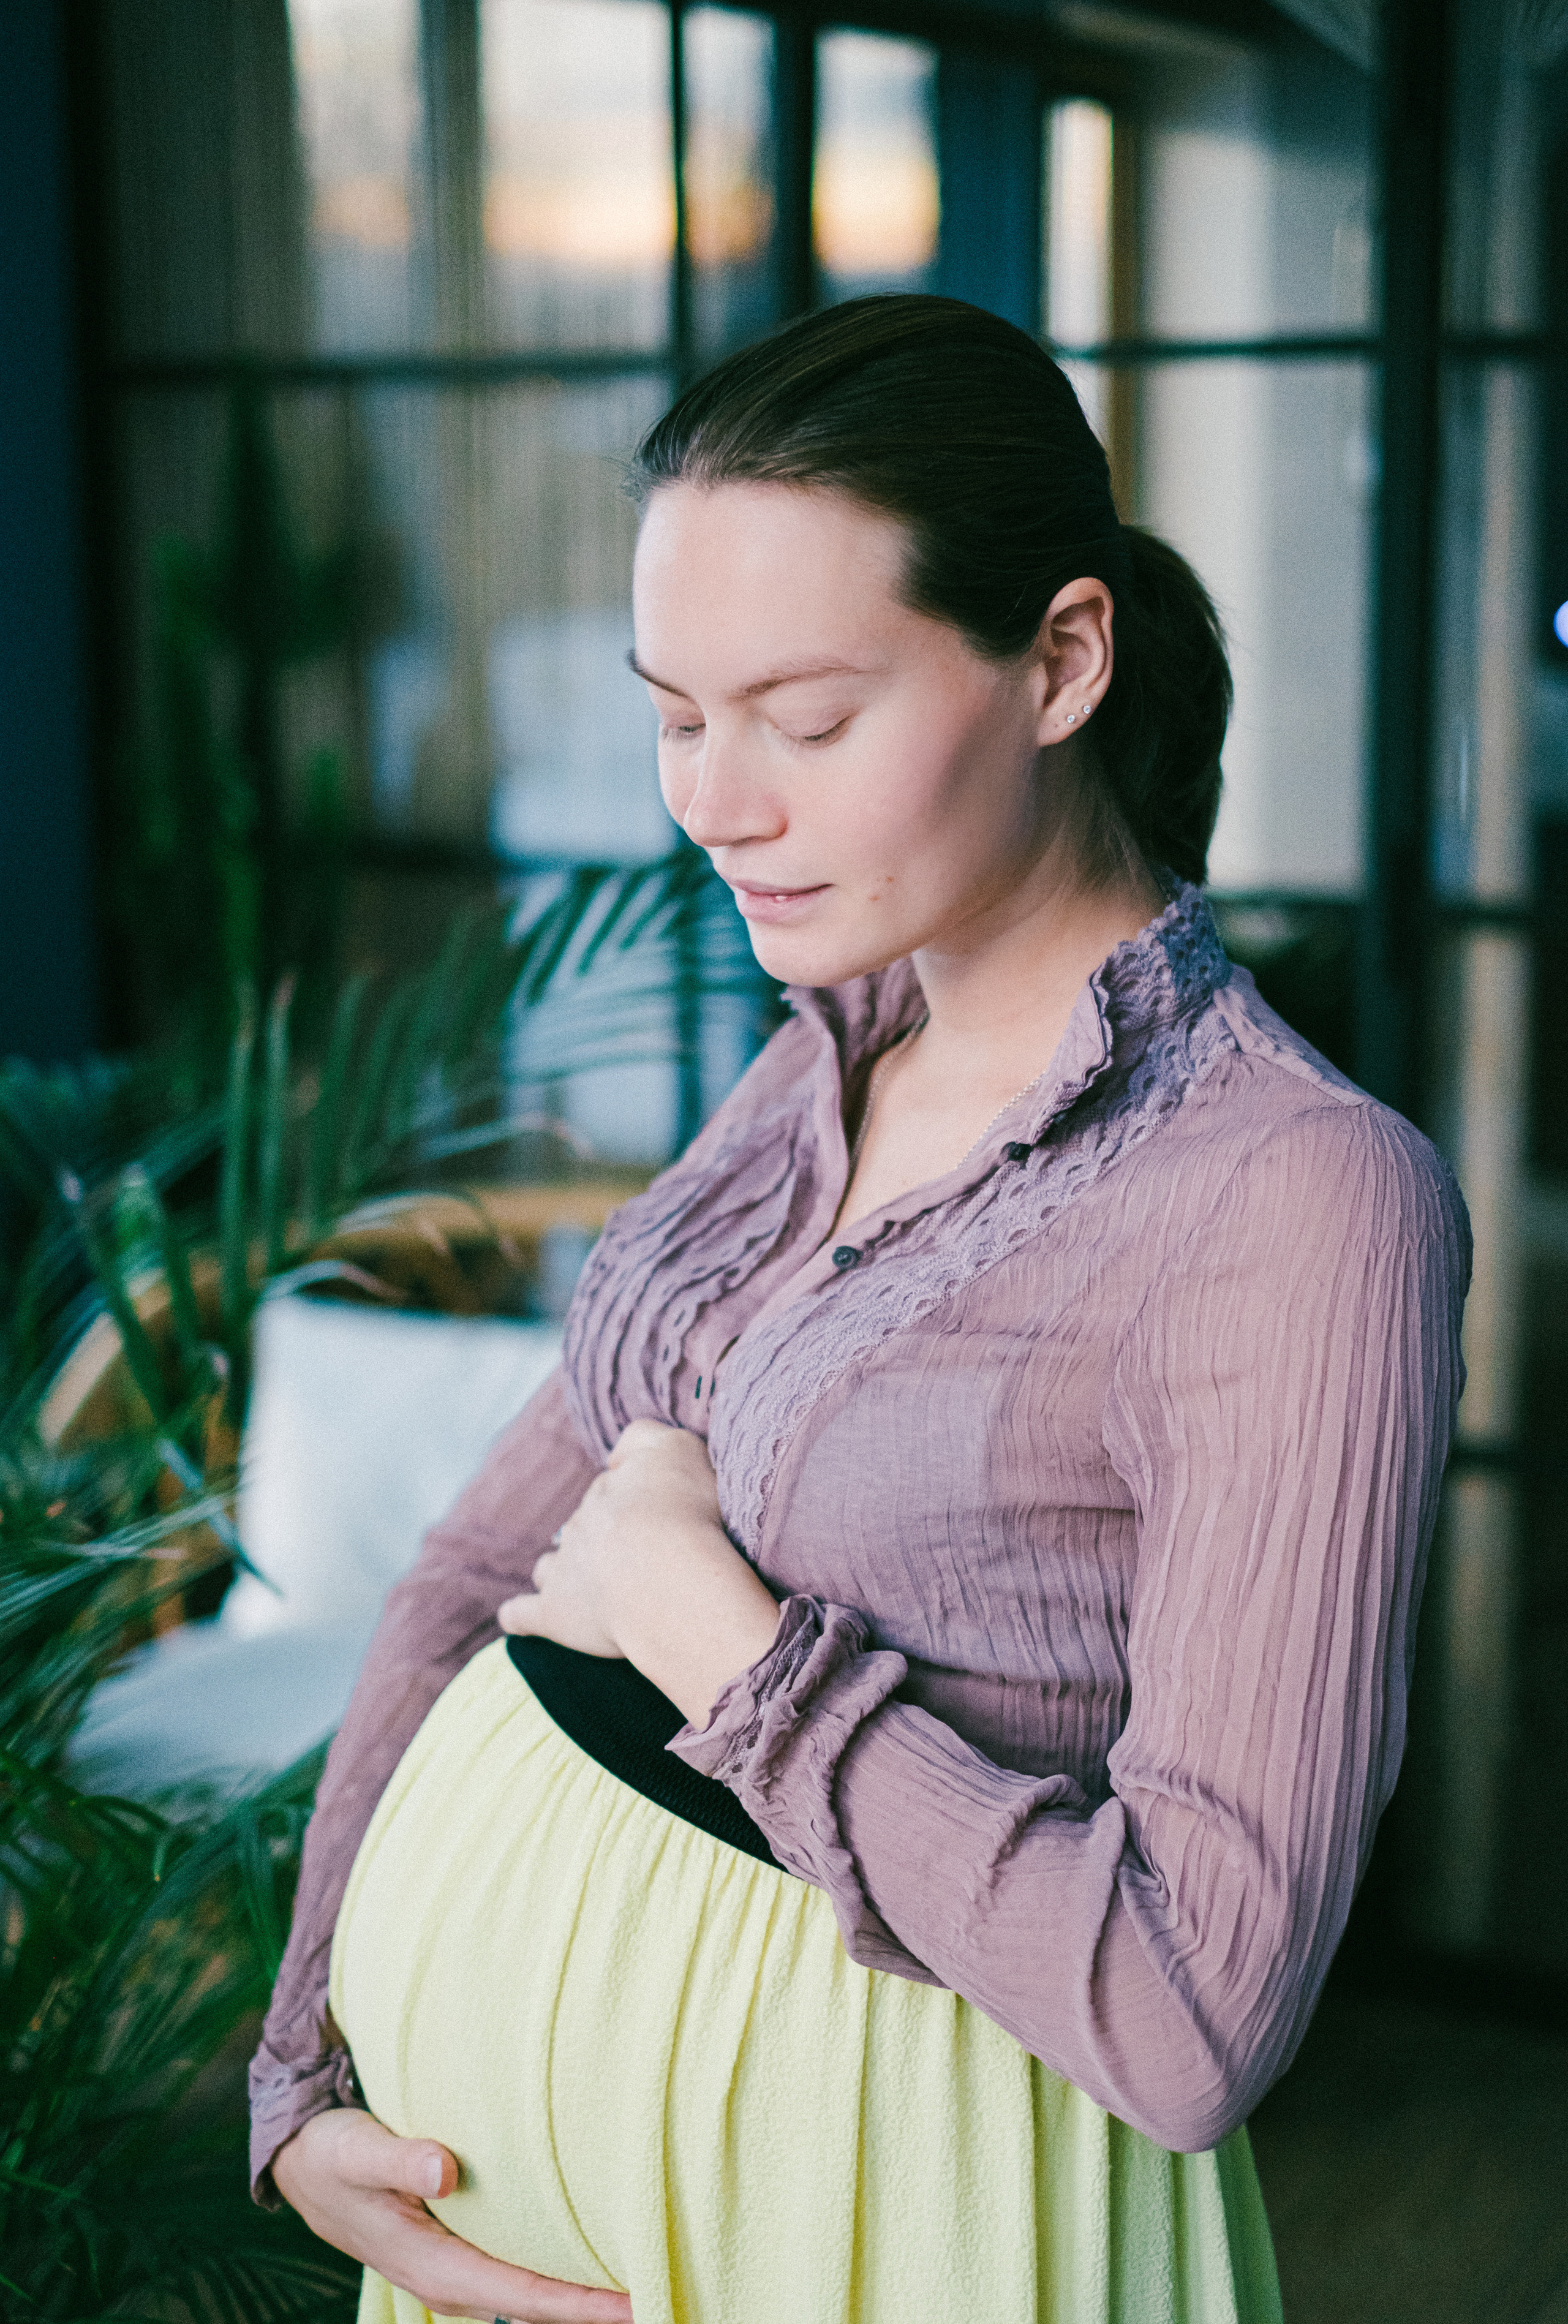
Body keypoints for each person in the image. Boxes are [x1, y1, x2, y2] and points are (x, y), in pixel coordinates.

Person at [250, 296, 1469, 2324]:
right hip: (507, 2233)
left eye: (807, 719)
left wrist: (713, 1623)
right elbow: (470, 1566)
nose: (717, 804)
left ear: (1063, 659)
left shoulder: (1294, 1198)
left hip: (876, 2218)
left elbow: (1194, 2018)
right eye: (675, 713)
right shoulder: (822, 1048)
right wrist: (300, 2075)